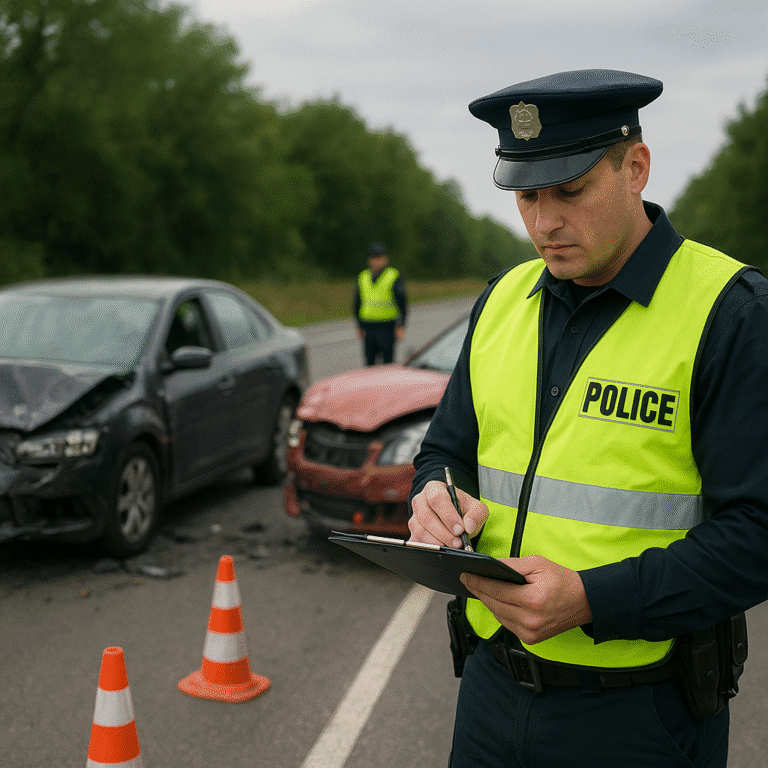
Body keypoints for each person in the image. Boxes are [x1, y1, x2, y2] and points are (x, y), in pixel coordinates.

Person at [409, 69, 768, 767]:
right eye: (526, 195)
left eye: (570, 190)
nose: (544, 221)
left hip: (639, 715)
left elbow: (758, 535)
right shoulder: (501, 301)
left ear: (635, 168)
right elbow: (445, 450)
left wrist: (591, 599)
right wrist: (433, 496)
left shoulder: (731, 313)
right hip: (489, 689)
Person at [353, 242, 407, 365]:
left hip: (387, 326)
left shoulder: (393, 276)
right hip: (368, 326)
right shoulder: (363, 277)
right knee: (369, 362)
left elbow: (402, 303)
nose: (376, 261)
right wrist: (359, 326)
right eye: (373, 258)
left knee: (388, 363)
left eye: (379, 258)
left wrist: (401, 325)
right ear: (369, 260)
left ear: (385, 259)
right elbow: (357, 303)